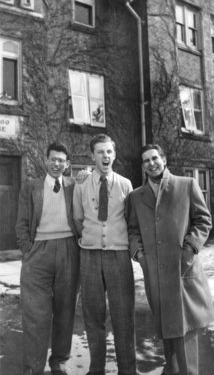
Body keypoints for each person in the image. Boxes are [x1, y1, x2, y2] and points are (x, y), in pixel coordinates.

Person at [126, 144, 214, 375]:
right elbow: (133, 230)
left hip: (182, 271)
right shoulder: (136, 196)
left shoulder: (186, 185)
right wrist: (140, 255)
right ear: (143, 166)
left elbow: (203, 220)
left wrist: (190, 248)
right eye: (146, 160)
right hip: (155, 273)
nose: (151, 163)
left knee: (185, 335)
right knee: (167, 335)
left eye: (155, 158)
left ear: (164, 160)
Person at [73, 133, 137, 375]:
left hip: (118, 256)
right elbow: (78, 218)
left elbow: (130, 220)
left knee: (123, 317)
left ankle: (128, 370)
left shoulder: (125, 184)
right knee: (93, 315)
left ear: (115, 155)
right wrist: (91, 240)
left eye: (109, 151)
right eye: (100, 152)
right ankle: (96, 369)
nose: (105, 156)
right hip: (89, 256)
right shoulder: (81, 184)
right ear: (92, 156)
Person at [16, 142, 80, 375]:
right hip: (38, 253)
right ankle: (34, 366)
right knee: (36, 313)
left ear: (67, 164)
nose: (56, 164)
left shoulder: (75, 185)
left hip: (68, 250)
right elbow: (21, 224)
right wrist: (28, 251)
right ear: (45, 160)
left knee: (65, 310)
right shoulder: (31, 187)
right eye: (53, 159)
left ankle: (60, 362)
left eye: (61, 160)